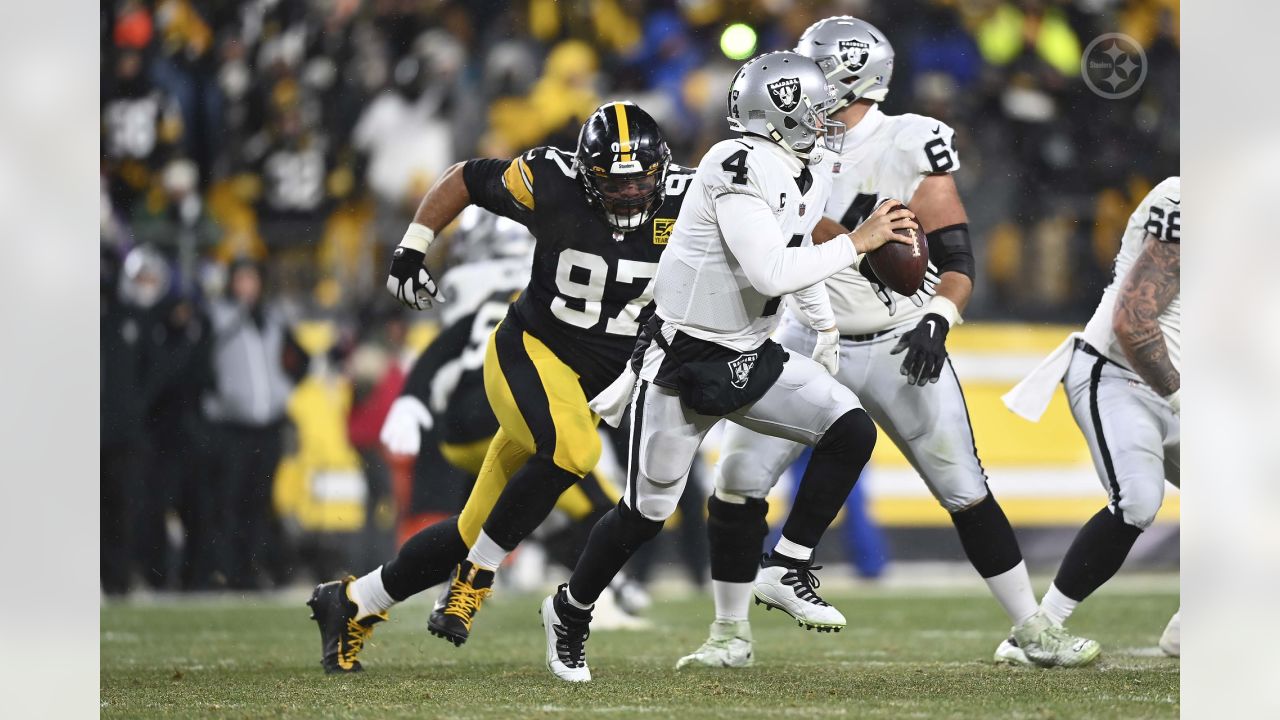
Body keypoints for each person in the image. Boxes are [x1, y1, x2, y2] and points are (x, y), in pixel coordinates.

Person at [676, 16, 1098, 672]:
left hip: (900, 339)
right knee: (736, 481)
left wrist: (938, 319)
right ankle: (731, 634)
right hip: (808, 332)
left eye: (811, 78)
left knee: (965, 489)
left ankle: (1032, 629)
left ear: (844, 77)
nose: (799, 92)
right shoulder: (781, 148)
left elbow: (956, 258)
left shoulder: (910, 140)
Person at [538, 51, 918, 683]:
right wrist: (857, 243)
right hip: (684, 356)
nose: (828, 122)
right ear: (779, 117)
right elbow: (770, 268)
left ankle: (787, 565)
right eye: (815, 111)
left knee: (851, 430)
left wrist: (821, 322)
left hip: (749, 349)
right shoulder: (734, 163)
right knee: (646, 512)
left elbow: (797, 245)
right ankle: (571, 612)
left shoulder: (811, 162)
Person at [307, 101, 690, 674]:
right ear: (587, 173)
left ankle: (353, 601)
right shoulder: (549, 180)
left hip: (589, 383)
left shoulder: (694, 197)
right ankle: (478, 577)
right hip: (531, 354)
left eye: (642, 178)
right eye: (616, 180)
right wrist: (414, 244)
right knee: (575, 453)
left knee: (469, 529)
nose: (632, 192)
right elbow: (463, 177)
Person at [1003, 177, 1180, 665]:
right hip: (1119, 374)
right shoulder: (1186, 201)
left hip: (1179, 384)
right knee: (1139, 498)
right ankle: (1034, 635)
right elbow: (1133, 321)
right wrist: (1185, 398)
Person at [204, 258, 295, 590]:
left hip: (267, 425)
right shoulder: (219, 317)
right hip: (231, 425)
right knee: (229, 501)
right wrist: (217, 400)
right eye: (240, 279)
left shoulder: (272, 318)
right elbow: (203, 362)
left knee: (259, 501)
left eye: (251, 278)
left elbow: (296, 358)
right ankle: (226, 570)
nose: (246, 286)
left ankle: (253, 569)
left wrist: (284, 393)